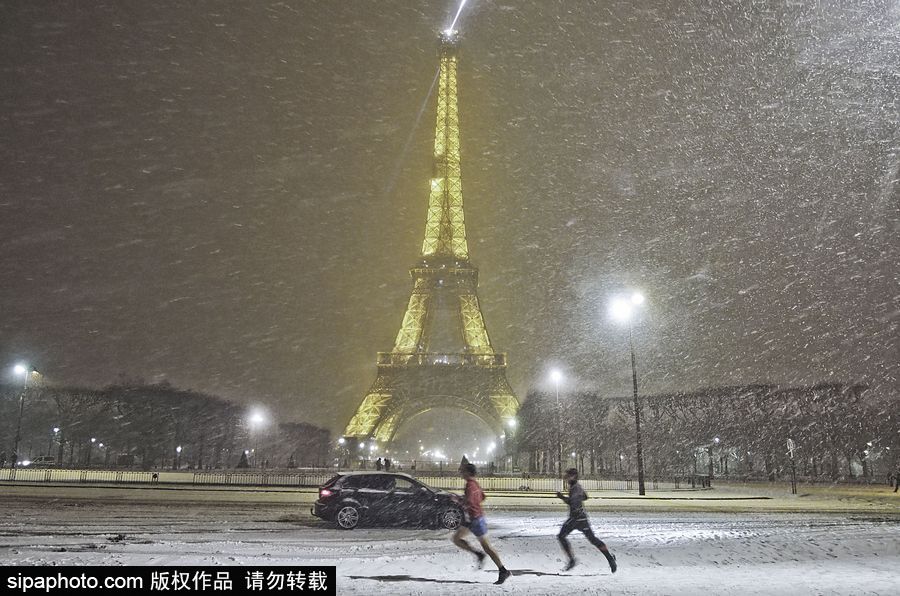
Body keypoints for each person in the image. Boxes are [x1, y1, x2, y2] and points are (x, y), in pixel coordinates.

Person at [451, 462, 511, 585]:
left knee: (487, 547)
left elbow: (470, 502)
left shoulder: (470, 485)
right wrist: (466, 498)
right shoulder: (475, 484)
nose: (461, 473)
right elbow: (482, 497)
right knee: (456, 539)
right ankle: (478, 554)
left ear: (468, 472)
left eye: (463, 471)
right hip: (473, 519)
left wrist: (458, 500)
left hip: (476, 519)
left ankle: (502, 570)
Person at [556, 468, 617, 573]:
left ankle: (572, 560)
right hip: (581, 518)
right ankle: (610, 558)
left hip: (576, 518)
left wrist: (562, 497)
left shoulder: (575, 487)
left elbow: (573, 502)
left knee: (561, 536)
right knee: (593, 539)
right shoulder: (576, 487)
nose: (566, 478)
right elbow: (585, 496)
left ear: (573, 476)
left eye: (568, 476)